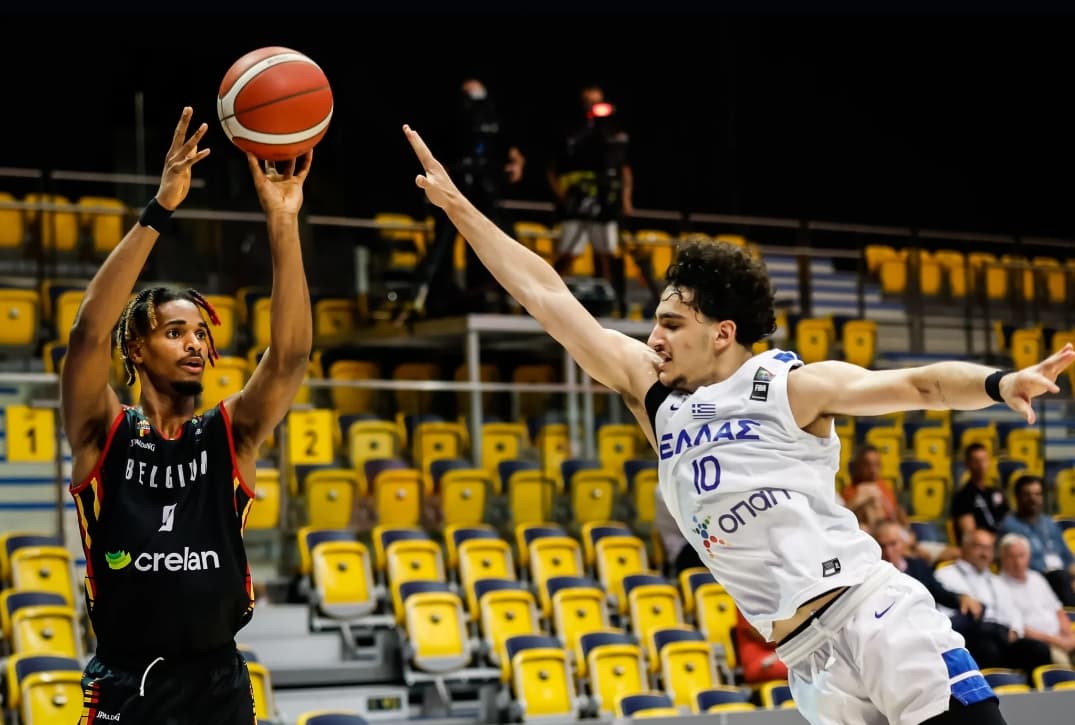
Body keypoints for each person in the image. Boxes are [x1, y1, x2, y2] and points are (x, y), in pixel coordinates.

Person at [401, 122, 1075, 724]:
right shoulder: (654, 397)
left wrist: (1000, 382)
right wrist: (460, 208)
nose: (653, 336)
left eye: (671, 323)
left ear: (722, 332)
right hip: (805, 660)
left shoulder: (789, 385)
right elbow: (548, 295)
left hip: (872, 615)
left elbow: (918, 383)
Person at [62, 107, 313, 723]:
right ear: (138, 349)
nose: (196, 343)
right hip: (128, 683)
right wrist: (160, 209)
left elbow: (290, 357)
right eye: (176, 332)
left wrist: (282, 219)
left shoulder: (230, 433)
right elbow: (88, 332)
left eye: (201, 333)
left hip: (217, 682)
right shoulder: (104, 431)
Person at [397, 77, 525, 322]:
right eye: (469, 96)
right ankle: (427, 299)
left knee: (496, 235)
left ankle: (495, 295)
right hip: (456, 183)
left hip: (484, 185)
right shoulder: (451, 120)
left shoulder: (493, 118)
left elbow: (511, 149)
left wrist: (516, 162)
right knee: (443, 241)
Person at [546, 83, 633, 314]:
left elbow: (623, 168)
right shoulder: (571, 131)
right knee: (569, 251)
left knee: (605, 253)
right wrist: (562, 196)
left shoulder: (612, 133)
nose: (594, 106)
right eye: (589, 101)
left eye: (598, 101)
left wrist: (625, 199)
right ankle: (548, 299)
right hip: (577, 201)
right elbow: (553, 168)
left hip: (605, 201)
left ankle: (608, 303)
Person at [934, 528, 1053, 674]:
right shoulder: (945, 575)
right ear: (964, 548)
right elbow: (946, 617)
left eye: (989, 548)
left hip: (1001, 637)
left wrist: (1015, 631)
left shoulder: (997, 581)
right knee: (988, 646)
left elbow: (1013, 612)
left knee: (1039, 650)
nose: (985, 554)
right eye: (979, 547)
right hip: (971, 639)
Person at [873, 518, 982, 621]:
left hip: (930, 623)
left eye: (893, 544)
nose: (888, 551)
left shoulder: (918, 565)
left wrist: (961, 598)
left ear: (903, 543)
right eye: (882, 546)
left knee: (978, 613)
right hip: (899, 628)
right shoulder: (873, 574)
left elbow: (939, 592)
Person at [996, 473, 1075, 606]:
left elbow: (1068, 557)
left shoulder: (1049, 523)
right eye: (1027, 495)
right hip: (1034, 582)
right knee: (1059, 577)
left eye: (1037, 494)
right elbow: (1020, 564)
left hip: (1062, 579)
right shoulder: (1010, 526)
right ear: (1017, 497)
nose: (1033, 499)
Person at [997, 532, 1075, 665]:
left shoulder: (1037, 578)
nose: (1017, 562)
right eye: (1011, 557)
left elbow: (1058, 611)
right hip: (1040, 644)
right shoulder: (998, 585)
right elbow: (1020, 628)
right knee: (1062, 664)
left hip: (1061, 638)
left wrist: (1070, 637)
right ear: (1002, 558)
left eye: (1021, 556)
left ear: (1029, 556)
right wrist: (1059, 642)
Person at [841, 443, 909, 529]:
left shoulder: (884, 486)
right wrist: (860, 499)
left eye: (876, 464)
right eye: (867, 465)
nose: (872, 470)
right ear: (858, 466)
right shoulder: (850, 490)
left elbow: (895, 513)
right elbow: (844, 515)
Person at [951, 442, 1008, 539]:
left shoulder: (996, 492)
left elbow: (1009, 520)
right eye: (976, 461)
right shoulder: (962, 496)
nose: (982, 465)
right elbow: (969, 534)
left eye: (984, 460)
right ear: (967, 464)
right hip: (981, 544)